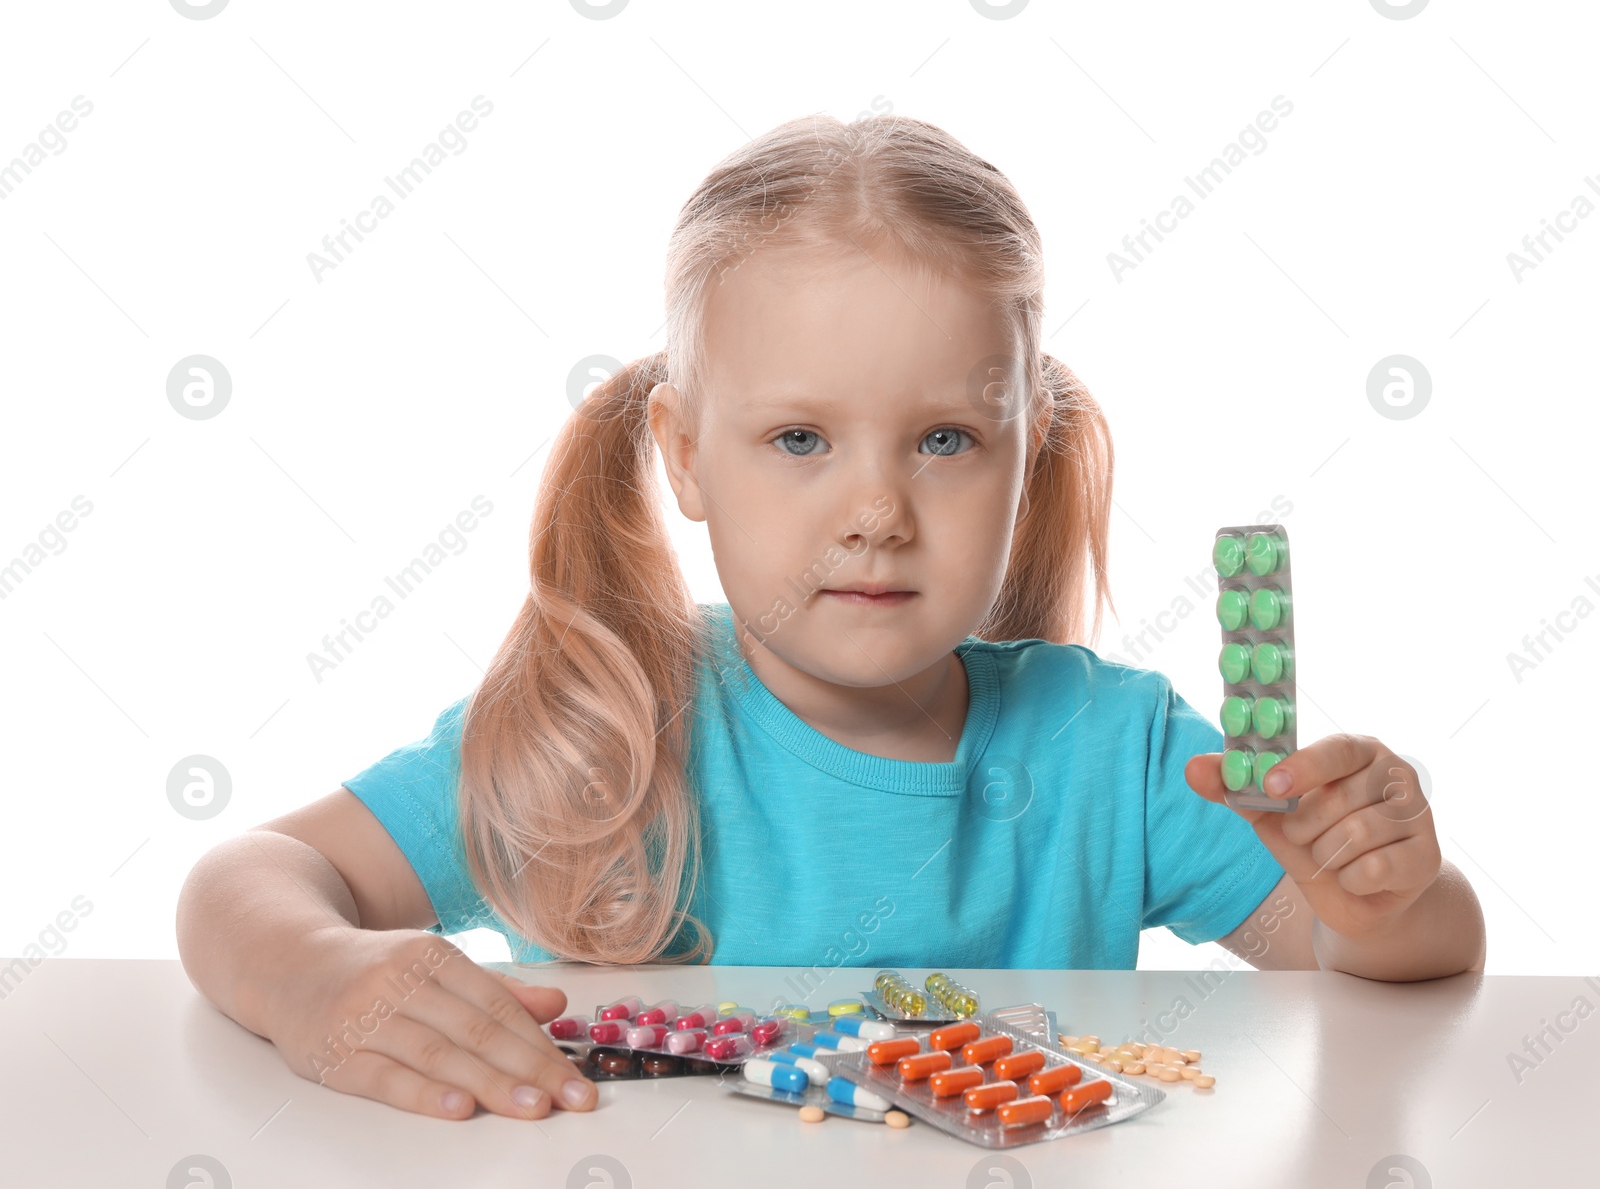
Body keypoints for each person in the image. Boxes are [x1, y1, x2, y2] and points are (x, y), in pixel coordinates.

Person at [175, 113, 1485, 1126]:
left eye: (946, 440)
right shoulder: (607, 731)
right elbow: (246, 880)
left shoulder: (1120, 752)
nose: (876, 511)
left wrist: (1380, 894)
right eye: (799, 436)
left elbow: (1379, 966)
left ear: (1030, 452)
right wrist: (317, 978)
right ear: (685, 454)